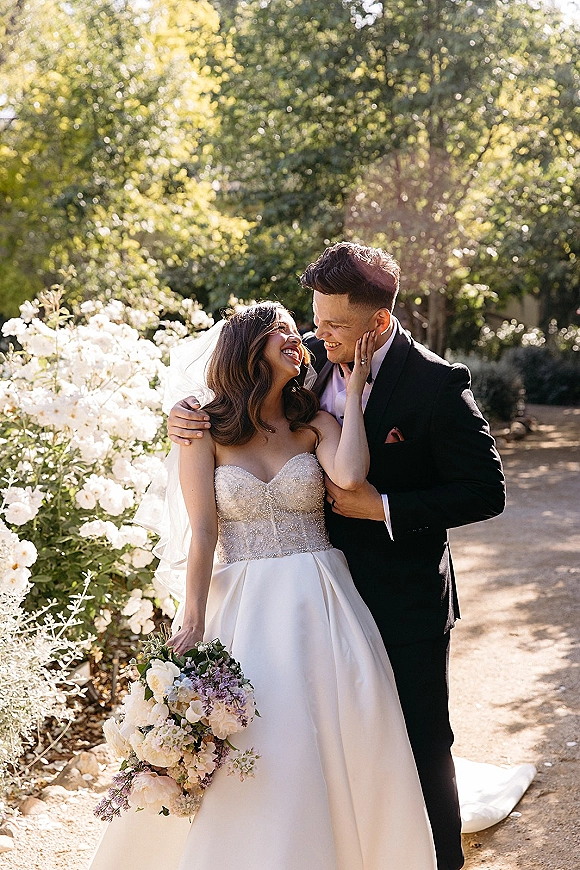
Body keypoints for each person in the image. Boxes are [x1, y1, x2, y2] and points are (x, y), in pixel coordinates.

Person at [168, 243, 507, 870]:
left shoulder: (436, 384)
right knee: (296, 741)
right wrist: (187, 414)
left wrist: (383, 508)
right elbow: (245, 405)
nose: (316, 337)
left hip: (400, 594)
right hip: (302, 597)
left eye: (332, 327)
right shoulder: (309, 364)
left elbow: (487, 491)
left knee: (419, 741)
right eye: (313, 322)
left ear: (377, 323)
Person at [89, 300, 437, 870]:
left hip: (322, 599)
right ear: (248, 347)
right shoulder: (205, 429)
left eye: (295, 333)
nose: (298, 339)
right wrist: (193, 615)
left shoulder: (313, 425)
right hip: (245, 605)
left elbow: (349, 476)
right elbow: (203, 532)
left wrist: (351, 394)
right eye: (282, 331)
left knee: (337, 732)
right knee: (259, 741)